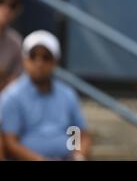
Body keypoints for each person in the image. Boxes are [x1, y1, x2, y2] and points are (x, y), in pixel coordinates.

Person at [0, 30, 91, 161]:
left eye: (46, 57)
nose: (39, 63)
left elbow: (77, 131)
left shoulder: (67, 94)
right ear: (24, 60)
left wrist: (77, 155)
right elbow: (10, 142)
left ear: (55, 61)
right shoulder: (11, 96)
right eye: (33, 56)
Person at [0, 0, 22, 93]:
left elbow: (14, 84)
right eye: (1, 1)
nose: (6, 8)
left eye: (12, 5)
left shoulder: (16, 42)